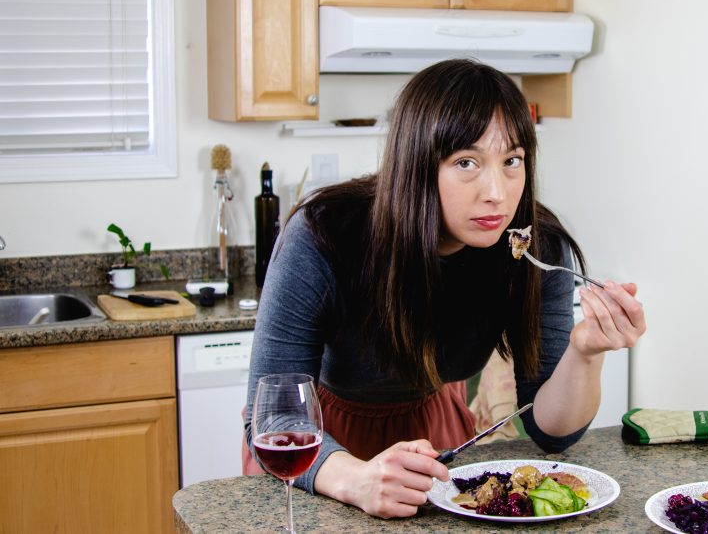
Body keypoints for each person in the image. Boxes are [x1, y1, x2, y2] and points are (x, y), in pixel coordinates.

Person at [243, 58, 646, 519]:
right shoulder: (323, 235)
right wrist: (355, 479)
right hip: (322, 453)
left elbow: (552, 430)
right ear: (417, 165)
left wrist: (586, 352)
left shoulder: (538, 247)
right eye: (466, 163)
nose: (496, 191)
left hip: (431, 432)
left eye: (512, 160)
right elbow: (272, 420)